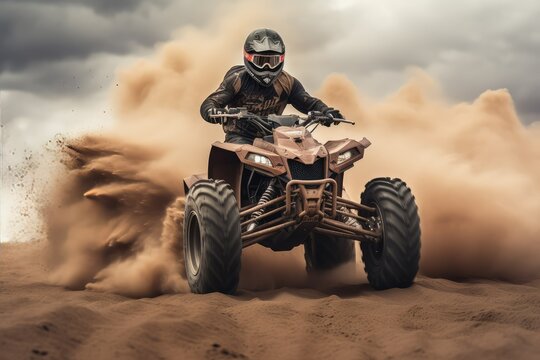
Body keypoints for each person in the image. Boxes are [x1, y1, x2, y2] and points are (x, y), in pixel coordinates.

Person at [200, 28, 344, 145]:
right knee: (238, 154)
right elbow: (210, 102)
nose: (267, 66)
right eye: (261, 61)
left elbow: (309, 103)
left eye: (273, 61)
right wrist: (215, 112)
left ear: (281, 59)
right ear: (248, 57)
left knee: (313, 151)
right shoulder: (237, 80)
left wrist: (326, 112)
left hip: (278, 138)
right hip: (241, 138)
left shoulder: (288, 82)